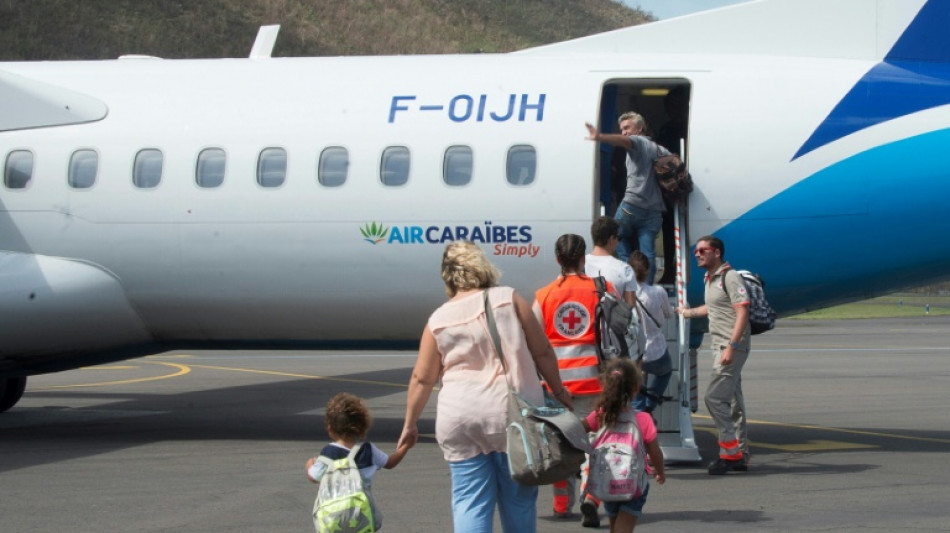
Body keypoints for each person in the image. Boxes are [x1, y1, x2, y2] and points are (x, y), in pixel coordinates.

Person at [398, 240, 571, 533]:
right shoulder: (508, 299)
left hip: (460, 418)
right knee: (518, 502)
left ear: (448, 275)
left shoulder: (437, 319)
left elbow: (422, 378)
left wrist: (410, 423)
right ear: (481, 266)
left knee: (469, 502)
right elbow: (541, 351)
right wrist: (559, 391)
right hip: (512, 416)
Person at [532, 234, 607, 527]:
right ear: (583, 258)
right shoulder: (603, 290)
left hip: (557, 387)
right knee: (594, 443)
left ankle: (561, 505)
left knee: (562, 446)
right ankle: (590, 496)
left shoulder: (544, 296)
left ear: (557, 259)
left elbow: (534, 345)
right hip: (596, 384)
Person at [676, 235, 752, 475]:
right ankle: (741, 454)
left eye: (702, 250)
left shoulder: (730, 277)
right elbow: (715, 307)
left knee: (714, 399)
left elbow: (742, 311)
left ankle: (729, 453)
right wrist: (687, 313)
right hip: (720, 344)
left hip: (730, 347)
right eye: (696, 251)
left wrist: (732, 345)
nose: (697, 254)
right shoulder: (711, 279)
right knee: (733, 402)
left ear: (716, 253)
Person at [581, 358, 665, 533]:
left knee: (615, 526)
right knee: (623, 528)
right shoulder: (643, 419)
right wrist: (660, 471)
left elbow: (580, 429)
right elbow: (655, 452)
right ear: (636, 389)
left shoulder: (601, 415)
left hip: (606, 481)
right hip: (632, 484)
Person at [586, 114, 671, 285]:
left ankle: (629, 277)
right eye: (622, 129)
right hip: (654, 211)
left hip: (632, 206)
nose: (624, 133)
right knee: (649, 254)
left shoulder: (638, 142)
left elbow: (624, 141)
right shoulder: (659, 149)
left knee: (613, 235)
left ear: (639, 129)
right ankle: (646, 287)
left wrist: (600, 137)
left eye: (627, 128)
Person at [305, 392, 410, 529]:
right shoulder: (368, 450)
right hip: (361, 515)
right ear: (362, 425)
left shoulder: (328, 453)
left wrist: (309, 464)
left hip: (333, 517)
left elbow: (314, 477)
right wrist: (406, 446)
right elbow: (390, 463)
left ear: (330, 428)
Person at [628, 251, 674, 415]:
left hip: (635, 351)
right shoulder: (658, 291)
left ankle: (639, 413)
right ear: (648, 271)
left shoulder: (626, 294)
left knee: (638, 383)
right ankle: (650, 405)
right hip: (656, 350)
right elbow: (669, 313)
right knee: (665, 372)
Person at [585, 216, 638, 307]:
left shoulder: (579, 264)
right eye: (618, 238)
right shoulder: (625, 269)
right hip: (611, 321)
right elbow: (630, 307)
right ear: (611, 239)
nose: (618, 242)